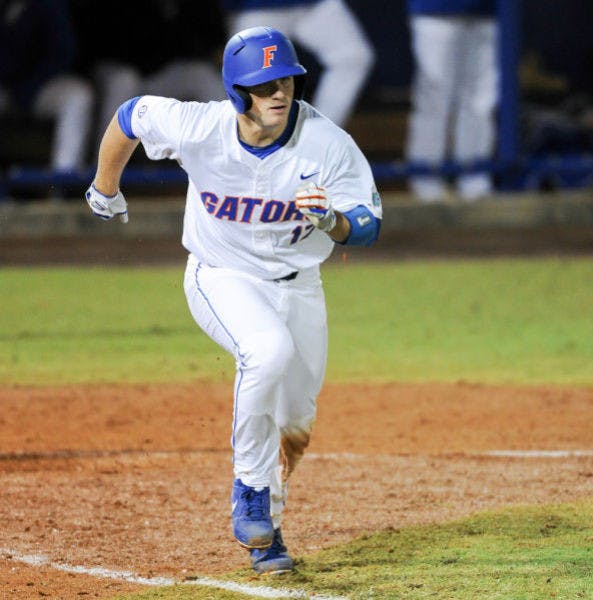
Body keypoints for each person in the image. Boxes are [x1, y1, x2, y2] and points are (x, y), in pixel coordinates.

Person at [84, 26, 382, 574]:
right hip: (220, 275)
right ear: (236, 90)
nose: (279, 92)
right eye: (263, 82)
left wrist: (333, 221)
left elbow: (367, 224)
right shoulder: (201, 127)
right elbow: (130, 115)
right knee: (266, 351)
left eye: (286, 80)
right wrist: (105, 186)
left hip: (298, 285)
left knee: (295, 423)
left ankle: (268, 531)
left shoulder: (326, 143)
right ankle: (249, 491)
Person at [70, 0, 227, 147]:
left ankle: (224, 158)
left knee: (203, 77)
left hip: (159, 71)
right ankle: (104, 167)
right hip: (115, 69)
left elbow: (209, 34)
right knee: (125, 81)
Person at [223, 0, 375, 128]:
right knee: (247, 77)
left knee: (352, 57)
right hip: (257, 7)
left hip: (313, 5)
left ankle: (318, 140)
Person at [406, 0, 498, 202]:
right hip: (435, 9)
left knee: (480, 100)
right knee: (434, 98)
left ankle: (475, 182)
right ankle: (426, 185)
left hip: (488, 11)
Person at [0, 0, 93, 173]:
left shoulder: (49, 5)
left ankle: (61, 183)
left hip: (36, 87)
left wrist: (27, 88)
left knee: (78, 96)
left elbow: (63, 52)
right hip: (7, 87)